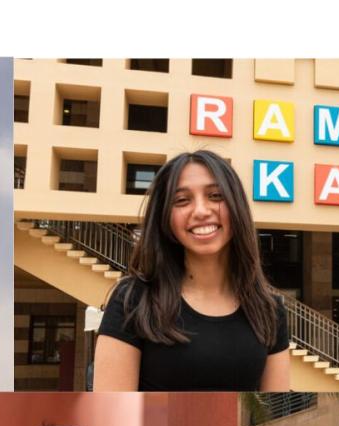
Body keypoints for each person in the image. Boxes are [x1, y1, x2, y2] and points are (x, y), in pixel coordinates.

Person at [93, 151, 290, 391]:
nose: (200, 210)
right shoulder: (133, 300)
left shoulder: (270, 310)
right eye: (182, 200)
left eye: (215, 196)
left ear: (236, 206)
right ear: (166, 217)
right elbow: (114, 414)